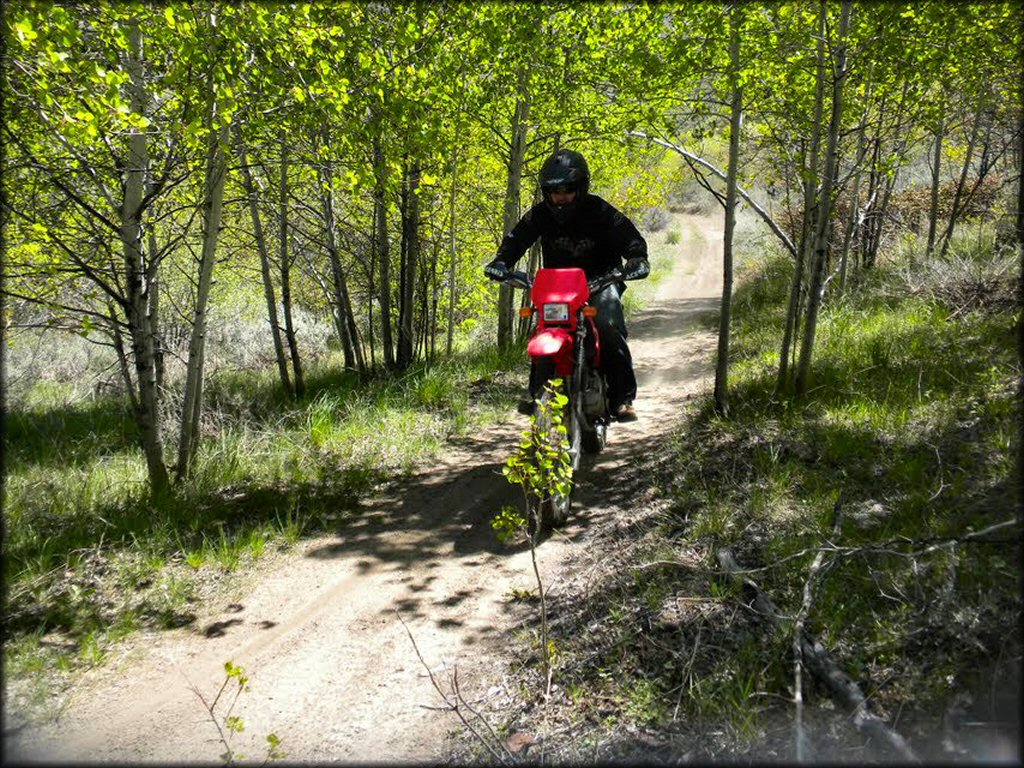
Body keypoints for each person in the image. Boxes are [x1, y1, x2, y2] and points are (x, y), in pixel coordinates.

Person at [483, 148, 650, 422]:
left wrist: (636, 258)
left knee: (607, 323)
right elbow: (516, 239)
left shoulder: (599, 210)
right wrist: (501, 262)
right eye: (553, 190)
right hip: (557, 287)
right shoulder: (539, 215)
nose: (560, 196)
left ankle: (622, 398)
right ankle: (537, 392)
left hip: (600, 280)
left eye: (568, 189)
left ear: (581, 187)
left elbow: (629, 236)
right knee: (542, 328)